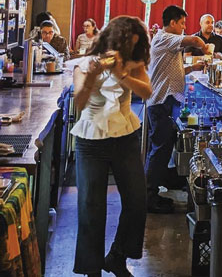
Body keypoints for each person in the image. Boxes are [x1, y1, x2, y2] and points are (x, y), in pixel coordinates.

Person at [71, 16, 153, 277]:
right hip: (91, 139)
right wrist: (91, 76)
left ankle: (117, 256)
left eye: (134, 44)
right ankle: (91, 269)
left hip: (125, 137)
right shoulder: (85, 64)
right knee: (90, 206)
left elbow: (147, 92)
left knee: (137, 201)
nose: (129, 49)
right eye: (127, 43)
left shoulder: (132, 64)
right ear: (113, 39)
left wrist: (122, 74)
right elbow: (80, 103)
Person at [145, 5, 209, 214]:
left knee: (165, 148)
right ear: (172, 23)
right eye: (182, 23)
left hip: (167, 101)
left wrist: (193, 68)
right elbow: (194, 40)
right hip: (161, 101)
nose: (184, 27)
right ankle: (149, 196)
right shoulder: (164, 37)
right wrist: (206, 48)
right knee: (160, 148)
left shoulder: (168, 44)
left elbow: (173, 70)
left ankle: (160, 186)